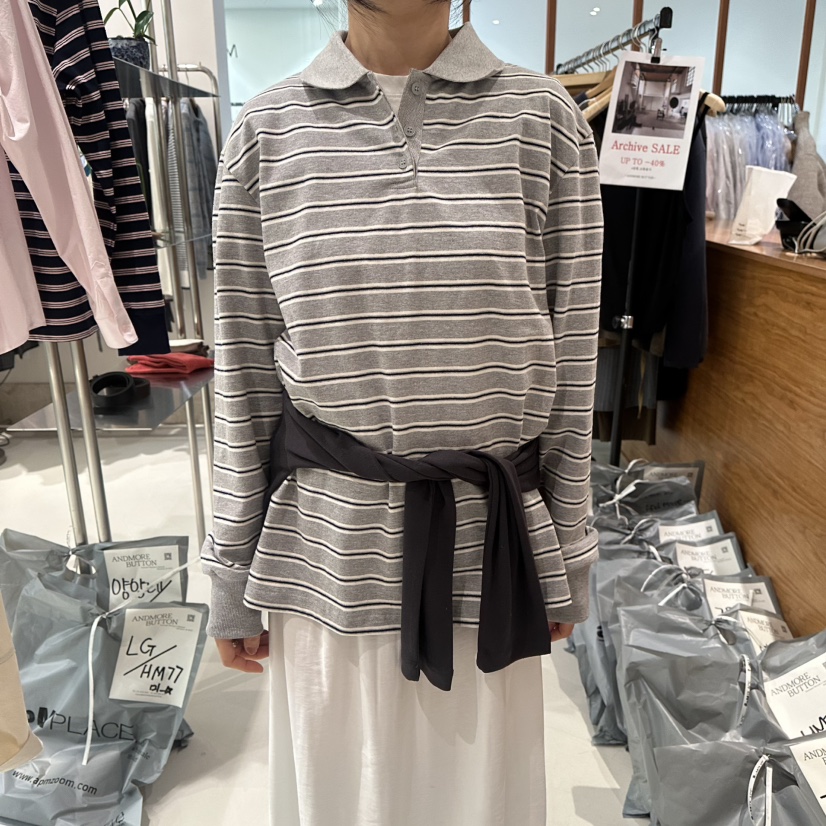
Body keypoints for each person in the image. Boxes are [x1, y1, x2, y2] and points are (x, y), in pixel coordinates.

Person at [201, 0, 603, 823]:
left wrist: (569, 551)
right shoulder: (267, 132)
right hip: (328, 562)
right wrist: (231, 571)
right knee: (344, 800)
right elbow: (241, 377)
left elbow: (572, 368)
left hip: (490, 557)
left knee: (476, 801)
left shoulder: (545, 121)